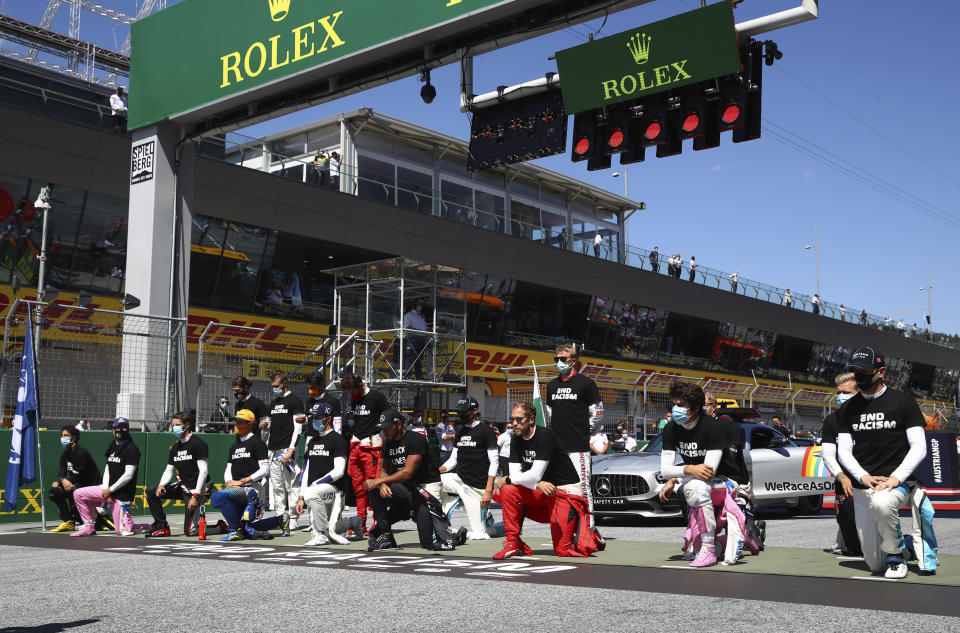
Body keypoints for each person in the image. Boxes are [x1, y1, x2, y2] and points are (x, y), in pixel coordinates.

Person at [837, 347, 927, 579]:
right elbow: (844, 451)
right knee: (874, 564)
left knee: (882, 503)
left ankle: (897, 558)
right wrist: (863, 477)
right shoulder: (847, 408)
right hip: (863, 484)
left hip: (895, 481)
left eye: (865, 370)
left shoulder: (903, 401)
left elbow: (919, 446)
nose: (859, 374)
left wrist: (897, 478)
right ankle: (905, 544)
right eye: (855, 370)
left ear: (881, 372)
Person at [657, 383, 758, 567]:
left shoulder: (714, 427)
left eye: (681, 405)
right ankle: (737, 538)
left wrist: (679, 474)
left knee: (695, 487)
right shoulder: (670, 429)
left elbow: (707, 472)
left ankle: (709, 549)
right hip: (700, 481)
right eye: (673, 404)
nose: (675, 410)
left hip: (728, 482)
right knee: (690, 552)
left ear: (695, 408)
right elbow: (665, 470)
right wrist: (684, 472)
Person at [493, 401, 598, 559]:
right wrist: (536, 483)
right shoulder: (515, 438)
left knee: (563, 550)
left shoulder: (545, 435)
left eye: (519, 419)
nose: (514, 424)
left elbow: (531, 475)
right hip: (542, 491)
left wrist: (514, 479)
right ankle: (513, 542)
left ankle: (592, 536)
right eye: (512, 419)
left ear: (531, 419)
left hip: (564, 491)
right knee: (509, 490)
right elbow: (518, 475)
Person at [365, 409, 457, 551]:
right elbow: (384, 469)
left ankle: (455, 536)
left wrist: (377, 481)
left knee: (428, 543)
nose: (384, 432)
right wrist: (382, 483)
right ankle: (386, 535)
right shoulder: (388, 443)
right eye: (382, 428)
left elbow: (408, 473)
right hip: (407, 488)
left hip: (426, 487)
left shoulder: (416, 440)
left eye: (387, 427)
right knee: (374, 490)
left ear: (399, 424)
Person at [545, 342, 603, 534]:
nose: (559, 362)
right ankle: (565, 528)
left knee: (583, 488)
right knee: (561, 488)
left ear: (573, 360)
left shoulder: (586, 384)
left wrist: (587, 432)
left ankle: (588, 530)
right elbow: (549, 414)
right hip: (557, 448)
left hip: (578, 446)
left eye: (563, 359)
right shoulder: (552, 385)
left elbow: (598, 413)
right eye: (556, 359)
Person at [144, 413, 214, 538]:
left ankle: (220, 527)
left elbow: (203, 471)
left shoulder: (198, 444)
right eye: (173, 425)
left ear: (187, 425)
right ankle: (162, 526)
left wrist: (196, 496)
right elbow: (169, 470)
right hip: (183, 487)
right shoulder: (175, 448)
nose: (174, 428)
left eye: (177, 425)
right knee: (151, 491)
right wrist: (161, 485)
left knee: (190, 532)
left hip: (199, 489)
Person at [438, 395, 498, 541]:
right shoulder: (460, 430)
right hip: (459, 480)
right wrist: (435, 471)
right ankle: (441, 519)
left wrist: (489, 491)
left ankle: (486, 518)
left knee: (480, 533)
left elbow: (494, 461)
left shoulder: (486, 430)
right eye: (459, 412)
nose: (461, 415)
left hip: (476, 486)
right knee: (432, 481)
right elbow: (453, 460)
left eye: (464, 412)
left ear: (475, 410)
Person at [71, 418, 142, 537]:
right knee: (78, 494)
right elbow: (108, 469)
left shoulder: (132, 449)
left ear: (128, 430)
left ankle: (145, 526)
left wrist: (110, 491)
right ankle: (89, 526)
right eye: (118, 427)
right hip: (108, 490)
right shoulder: (113, 446)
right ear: (113, 430)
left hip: (122, 494)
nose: (121, 430)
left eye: (124, 427)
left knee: (123, 531)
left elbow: (128, 475)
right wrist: (105, 490)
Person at [341, 372, 392, 534]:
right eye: (349, 392)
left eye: (352, 391)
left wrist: (379, 429)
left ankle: (379, 522)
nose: (351, 394)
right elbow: (353, 420)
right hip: (356, 445)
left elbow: (389, 415)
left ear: (361, 386)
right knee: (358, 487)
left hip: (373, 447)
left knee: (373, 485)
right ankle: (359, 522)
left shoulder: (377, 397)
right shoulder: (353, 400)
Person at [295, 401, 352, 546]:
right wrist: (301, 497)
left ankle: (321, 534)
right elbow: (306, 471)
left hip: (334, 490)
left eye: (318, 417)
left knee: (312, 494)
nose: (315, 420)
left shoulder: (338, 440)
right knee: (334, 530)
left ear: (329, 418)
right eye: (313, 417)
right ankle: (352, 522)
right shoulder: (312, 441)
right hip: (315, 491)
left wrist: (317, 483)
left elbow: (339, 471)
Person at [820, 373, 862, 557]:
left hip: (870, 481)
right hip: (844, 482)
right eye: (838, 392)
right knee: (847, 525)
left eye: (845, 392)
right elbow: (828, 455)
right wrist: (842, 477)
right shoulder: (831, 421)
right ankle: (849, 544)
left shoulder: (872, 417)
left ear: (859, 392)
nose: (840, 396)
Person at [265, 370, 304, 531]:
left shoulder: (295, 401)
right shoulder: (273, 403)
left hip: (287, 449)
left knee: (292, 485)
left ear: (285, 383)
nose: (274, 388)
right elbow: (270, 425)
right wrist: (264, 425)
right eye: (272, 386)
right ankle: (281, 517)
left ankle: (293, 517)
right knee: (277, 485)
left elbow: (298, 428)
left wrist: (291, 449)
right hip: (273, 449)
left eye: (277, 386)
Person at [49, 425, 100, 533]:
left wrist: (66, 481)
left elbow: (79, 475)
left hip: (91, 487)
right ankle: (68, 521)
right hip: (75, 485)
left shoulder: (81, 453)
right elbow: (61, 472)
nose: (62, 438)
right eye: (62, 435)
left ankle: (86, 518)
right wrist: (61, 480)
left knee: (73, 487)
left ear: (74, 438)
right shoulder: (65, 454)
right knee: (54, 491)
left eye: (66, 435)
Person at [302, 372, 343, 437]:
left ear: (321, 385)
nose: (310, 391)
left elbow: (337, 425)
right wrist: (303, 420)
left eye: (312, 388)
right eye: (309, 388)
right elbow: (308, 419)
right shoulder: (309, 401)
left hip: (327, 438)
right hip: (311, 438)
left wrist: (337, 439)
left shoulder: (333, 401)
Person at [402, 298, 429, 380]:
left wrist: (427, 331)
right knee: (410, 357)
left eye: (421, 305)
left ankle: (419, 375)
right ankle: (407, 375)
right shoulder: (409, 315)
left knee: (419, 358)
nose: (420, 306)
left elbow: (424, 327)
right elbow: (407, 327)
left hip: (421, 338)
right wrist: (420, 331)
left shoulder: (421, 316)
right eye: (419, 305)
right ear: (414, 306)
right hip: (412, 338)